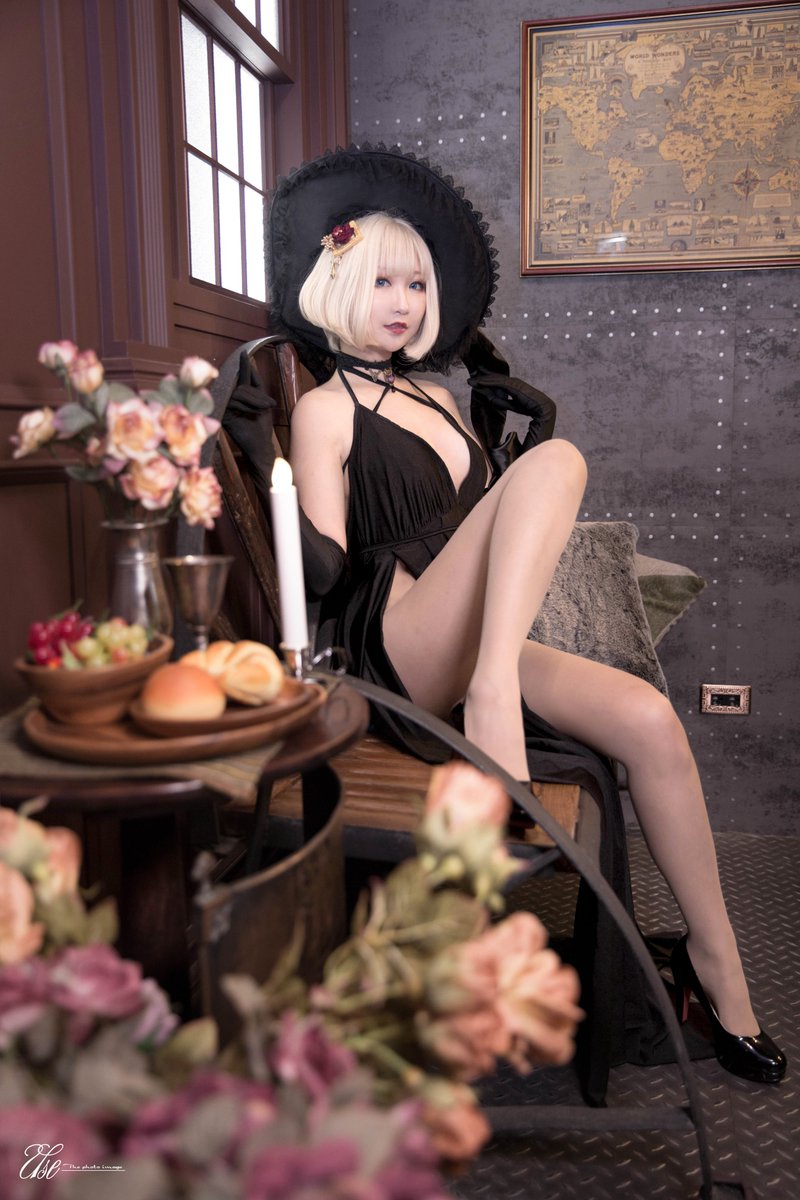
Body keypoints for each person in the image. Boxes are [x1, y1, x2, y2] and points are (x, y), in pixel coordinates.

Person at [227, 147, 785, 1092]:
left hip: (477, 635)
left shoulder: (443, 394)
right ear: (338, 285)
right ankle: (491, 697)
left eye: (416, 284)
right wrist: (267, 478)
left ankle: (717, 969)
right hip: (396, 641)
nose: (403, 302)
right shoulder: (325, 408)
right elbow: (325, 566)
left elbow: (489, 534)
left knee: (651, 719)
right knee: (558, 464)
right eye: (381, 282)